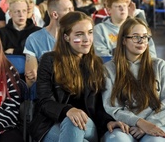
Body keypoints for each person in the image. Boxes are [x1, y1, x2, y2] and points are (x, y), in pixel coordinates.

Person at [29, 11, 127, 142]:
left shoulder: (96, 63)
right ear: (66, 37)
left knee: (74, 123)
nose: (87, 39)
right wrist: (67, 110)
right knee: (72, 123)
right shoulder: (49, 60)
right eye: (79, 34)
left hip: (88, 125)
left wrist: (108, 121)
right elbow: (44, 101)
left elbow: (99, 104)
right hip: (51, 124)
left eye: (90, 32)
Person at [102, 17, 165, 142]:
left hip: (155, 123)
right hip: (123, 126)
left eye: (145, 37)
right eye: (136, 37)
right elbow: (112, 107)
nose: (141, 41)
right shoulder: (109, 69)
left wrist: (148, 125)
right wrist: (139, 122)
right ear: (124, 40)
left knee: (155, 141)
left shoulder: (159, 66)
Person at [23, 0, 74, 87]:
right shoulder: (34, 39)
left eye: (72, 8)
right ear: (54, 14)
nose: (72, 13)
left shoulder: (75, 37)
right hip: (45, 92)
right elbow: (31, 80)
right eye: (67, 10)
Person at [93, 0, 157, 58]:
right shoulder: (100, 29)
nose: (122, 9)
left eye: (124, 6)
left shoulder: (139, 27)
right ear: (109, 10)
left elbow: (151, 53)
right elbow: (102, 55)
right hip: (112, 67)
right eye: (118, 6)